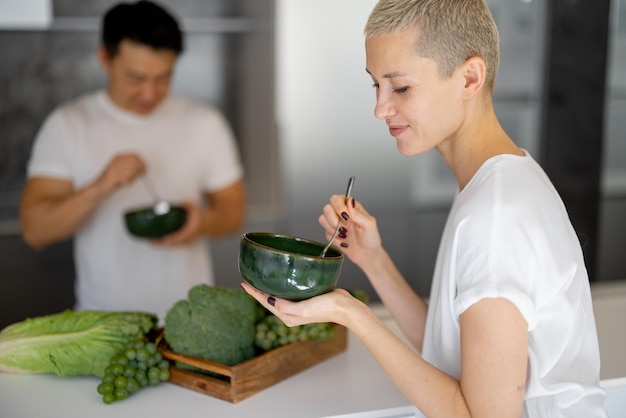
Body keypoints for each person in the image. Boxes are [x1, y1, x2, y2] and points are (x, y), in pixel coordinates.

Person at [241, 0, 607, 416]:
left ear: (469, 77)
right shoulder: (498, 180)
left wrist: (351, 313)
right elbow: (449, 348)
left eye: (401, 87)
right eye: (375, 85)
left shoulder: (495, 217)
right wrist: (374, 261)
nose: (380, 108)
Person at [20, 0, 246, 321]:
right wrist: (99, 187)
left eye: (163, 77)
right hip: (102, 326)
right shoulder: (68, 124)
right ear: (104, 58)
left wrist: (201, 222)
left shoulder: (205, 123)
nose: (149, 94)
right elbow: (35, 231)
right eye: (135, 78)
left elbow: (233, 212)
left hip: (190, 323)